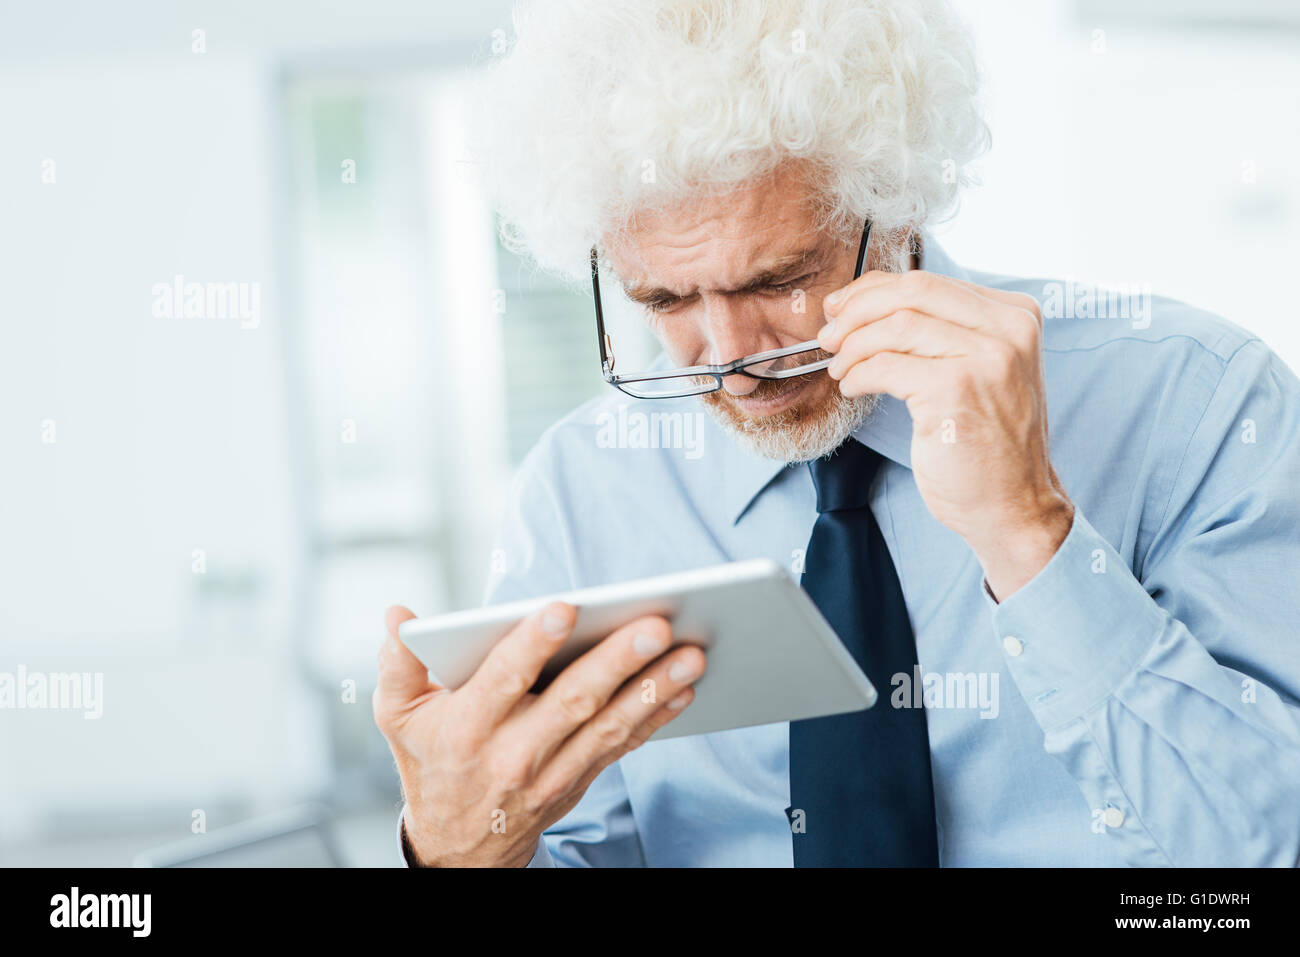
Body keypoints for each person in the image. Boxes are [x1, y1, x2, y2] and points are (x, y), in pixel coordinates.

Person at [374, 0, 1300, 866]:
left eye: (777, 280)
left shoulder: (1196, 399)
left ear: (897, 204)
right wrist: (460, 848)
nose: (732, 358)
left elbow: (1262, 848)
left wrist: (1028, 529)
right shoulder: (583, 489)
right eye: (665, 298)